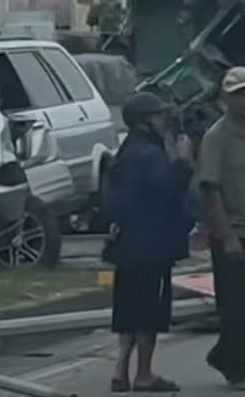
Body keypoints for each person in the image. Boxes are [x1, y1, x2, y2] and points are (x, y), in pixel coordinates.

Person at [104, 91, 194, 393]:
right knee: (149, 313)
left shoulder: (125, 153)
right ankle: (143, 373)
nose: (165, 121)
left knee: (128, 309)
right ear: (146, 121)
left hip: (127, 245)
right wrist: (183, 162)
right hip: (151, 246)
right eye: (159, 116)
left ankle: (120, 369)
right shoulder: (151, 156)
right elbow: (166, 189)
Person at [197, 66, 245, 391]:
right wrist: (226, 236)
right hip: (233, 232)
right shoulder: (216, 138)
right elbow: (210, 189)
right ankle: (238, 368)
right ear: (225, 99)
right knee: (235, 304)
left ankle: (223, 352)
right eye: (239, 94)